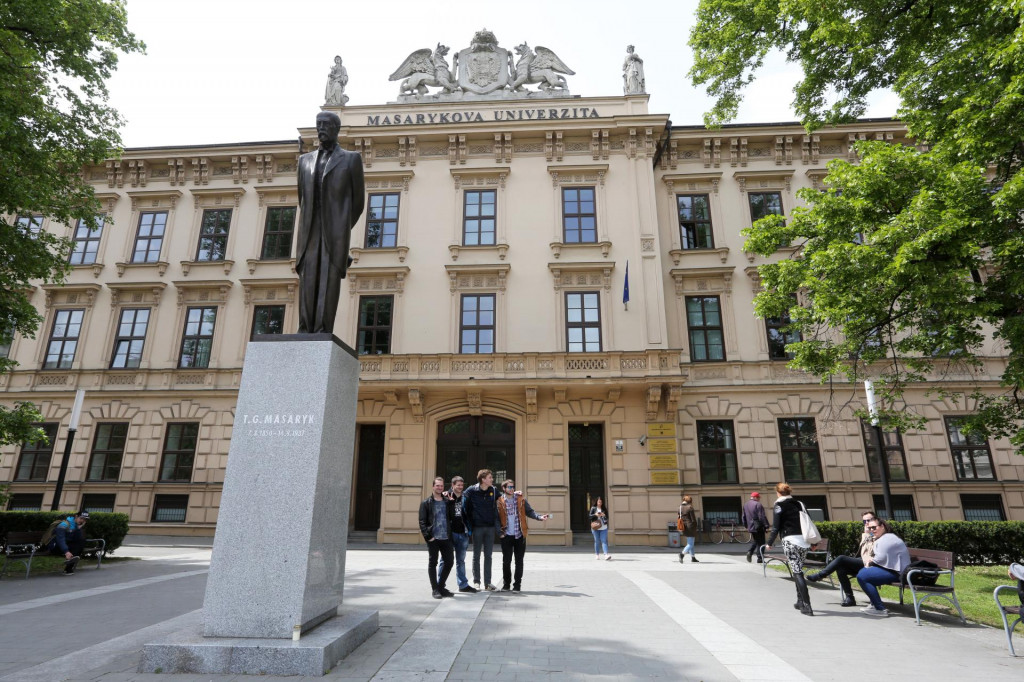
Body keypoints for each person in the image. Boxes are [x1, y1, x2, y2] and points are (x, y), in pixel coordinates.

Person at [296, 111, 365, 334]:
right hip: (310, 230)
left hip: (335, 232)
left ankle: (322, 329)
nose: (321, 128)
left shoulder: (351, 159)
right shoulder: (304, 161)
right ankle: (305, 327)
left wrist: (341, 227)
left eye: (326, 124)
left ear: (336, 128)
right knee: (308, 279)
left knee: (329, 279)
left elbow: (358, 203)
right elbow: (302, 198)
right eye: (318, 124)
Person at [806, 510, 878, 606]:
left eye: (869, 520)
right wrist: (866, 534)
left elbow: (873, 552)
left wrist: (868, 534)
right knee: (841, 569)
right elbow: (863, 551)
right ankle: (850, 598)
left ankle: (821, 575)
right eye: (864, 521)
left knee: (841, 558)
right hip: (862, 562)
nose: (867, 523)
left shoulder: (879, 532)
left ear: (876, 520)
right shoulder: (867, 534)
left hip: (872, 564)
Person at [764, 482, 814, 616]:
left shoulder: (779, 505)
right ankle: (799, 600)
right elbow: (809, 520)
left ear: (778, 493)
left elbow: (776, 527)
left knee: (797, 572)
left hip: (790, 541)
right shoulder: (800, 503)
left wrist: (769, 542)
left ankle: (806, 605)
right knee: (798, 568)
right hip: (804, 541)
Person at [496, 478, 549, 592]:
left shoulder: (521, 499)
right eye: (509, 487)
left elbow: (530, 512)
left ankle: (517, 585)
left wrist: (539, 517)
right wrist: (499, 532)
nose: (512, 488)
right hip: (506, 536)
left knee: (519, 561)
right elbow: (496, 518)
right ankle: (506, 585)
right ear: (504, 488)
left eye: (513, 486)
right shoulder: (499, 501)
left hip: (520, 535)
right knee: (506, 561)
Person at [856, 517, 910, 617]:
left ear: (882, 526)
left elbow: (880, 558)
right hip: (892, 569)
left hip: (899, 573)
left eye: (874, 527)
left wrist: (870, 562)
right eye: (870, 528)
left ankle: (880, 609)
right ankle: (874, 604)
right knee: (864, 573)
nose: (872, 530)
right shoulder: (884, 537)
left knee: (863, 576)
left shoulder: (887, 539)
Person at [463, 468, 501, 591]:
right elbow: (461, 499)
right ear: (483, 479)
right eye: (490, 477)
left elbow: (504, 500)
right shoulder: (472, 490)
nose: (492, 479)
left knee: (488, 556)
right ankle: (476, 581)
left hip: (490, 528)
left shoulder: (494, 490)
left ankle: (488, 583)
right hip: (477, 528)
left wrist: (515, 493)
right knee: (476, 555)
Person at [438, 475, 477, 593]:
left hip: (463, 533)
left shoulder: (466, 497)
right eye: (458, 485)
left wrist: (470, 528)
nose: (460, 487)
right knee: (444, 560)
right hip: (449, 533)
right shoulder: (445, 496)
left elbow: (470, 513)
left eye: (462, 485)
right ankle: (439, 585)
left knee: (461, 560)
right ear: (452, 485)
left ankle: (463, 585)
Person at [417, 477, 455, 599]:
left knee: (449, 562)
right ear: (433, 486)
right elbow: (422, 522)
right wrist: (428, 537)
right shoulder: (426, 503)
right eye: (437, 485)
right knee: (433, 563)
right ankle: (435, 589)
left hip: (446, 537)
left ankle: (440, 587)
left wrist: (452, 502)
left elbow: (452, 517)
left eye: (441, 486)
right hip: (433, 538)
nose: (439, 488)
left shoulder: (447, 501)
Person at [47, 510, 88, 575]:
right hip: (55, 547)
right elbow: (60, 539)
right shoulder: (64, 524)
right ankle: (68, 567)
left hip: (65, 547)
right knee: (76, 545)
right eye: (81, 518)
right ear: (76, 516)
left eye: (84, 519)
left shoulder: (76, 525)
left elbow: (77, 540)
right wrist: (66, 551)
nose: (82, 521)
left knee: (81, 542)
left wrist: (78, 528)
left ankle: (68, 569)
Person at [741, 491, 769, 563]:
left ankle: (750, 552)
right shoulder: (758, 504)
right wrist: (766, 525)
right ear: (756, 497)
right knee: (761, 542)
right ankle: (760, 558)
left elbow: (743, 517)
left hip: (751, 527)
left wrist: (746, 526)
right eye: (759, 497)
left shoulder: (746, 504)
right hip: (759, 526)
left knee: (756, 540)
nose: (759, 499)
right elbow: (761, 516)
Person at [677, 494, 699, 564]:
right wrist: (696, 526)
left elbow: (679, 517)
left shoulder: (679, 507)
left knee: (690, 543)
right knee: (690, 544)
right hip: (690, 526)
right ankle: (682, 554)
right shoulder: (690, 507)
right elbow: (693, 519)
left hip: (683, 526)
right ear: (689, 501)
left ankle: (693, 557)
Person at [589, 496, 610, 560]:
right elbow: (589, 517)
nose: (600, 503)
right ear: (596, 502)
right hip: (595, 528)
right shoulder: (593, 508)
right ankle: (597, 554)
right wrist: (595, 515)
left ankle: (606, 554)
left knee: (604, 541)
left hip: (604, 528)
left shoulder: (604, 509)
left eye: (601, 502)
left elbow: (607, 518)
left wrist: (604, 515)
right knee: (597, 541)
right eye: (599, 502)